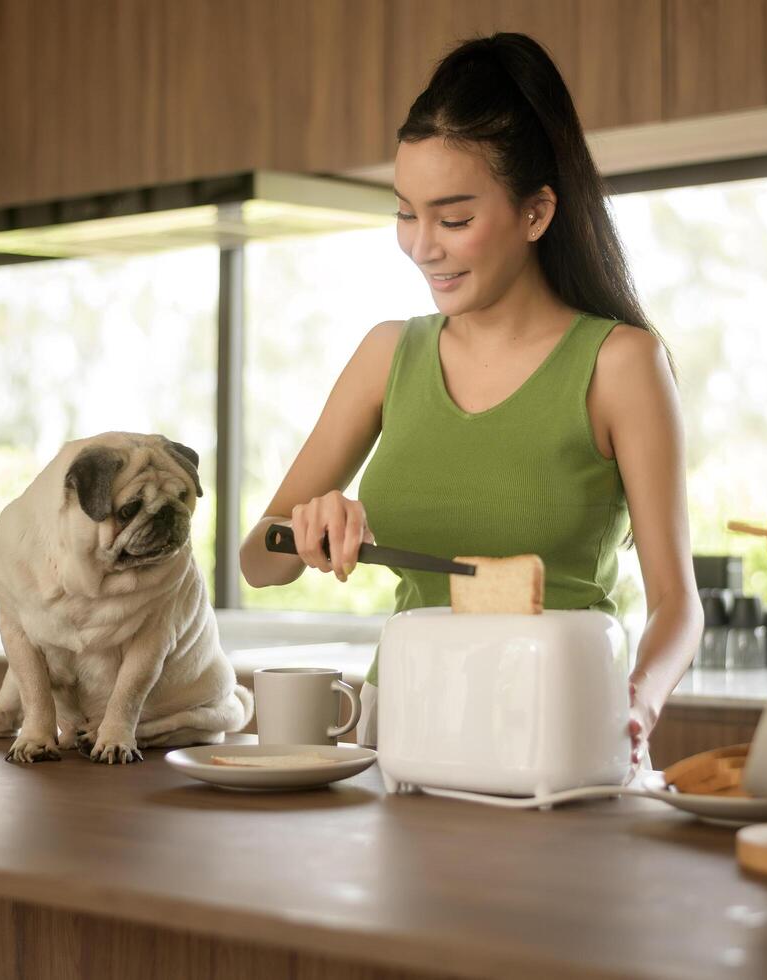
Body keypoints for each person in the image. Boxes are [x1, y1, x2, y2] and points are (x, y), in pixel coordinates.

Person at [239, 32, 700, 779]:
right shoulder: (387, 356)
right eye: (404, 215)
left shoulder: (620, 365)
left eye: (452, 219)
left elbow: (678, 604)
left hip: (561, 730)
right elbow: (257, 562)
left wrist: (637, 702)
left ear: (535, 212)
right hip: (400, 733)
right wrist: (309, 524)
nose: (423, 247)